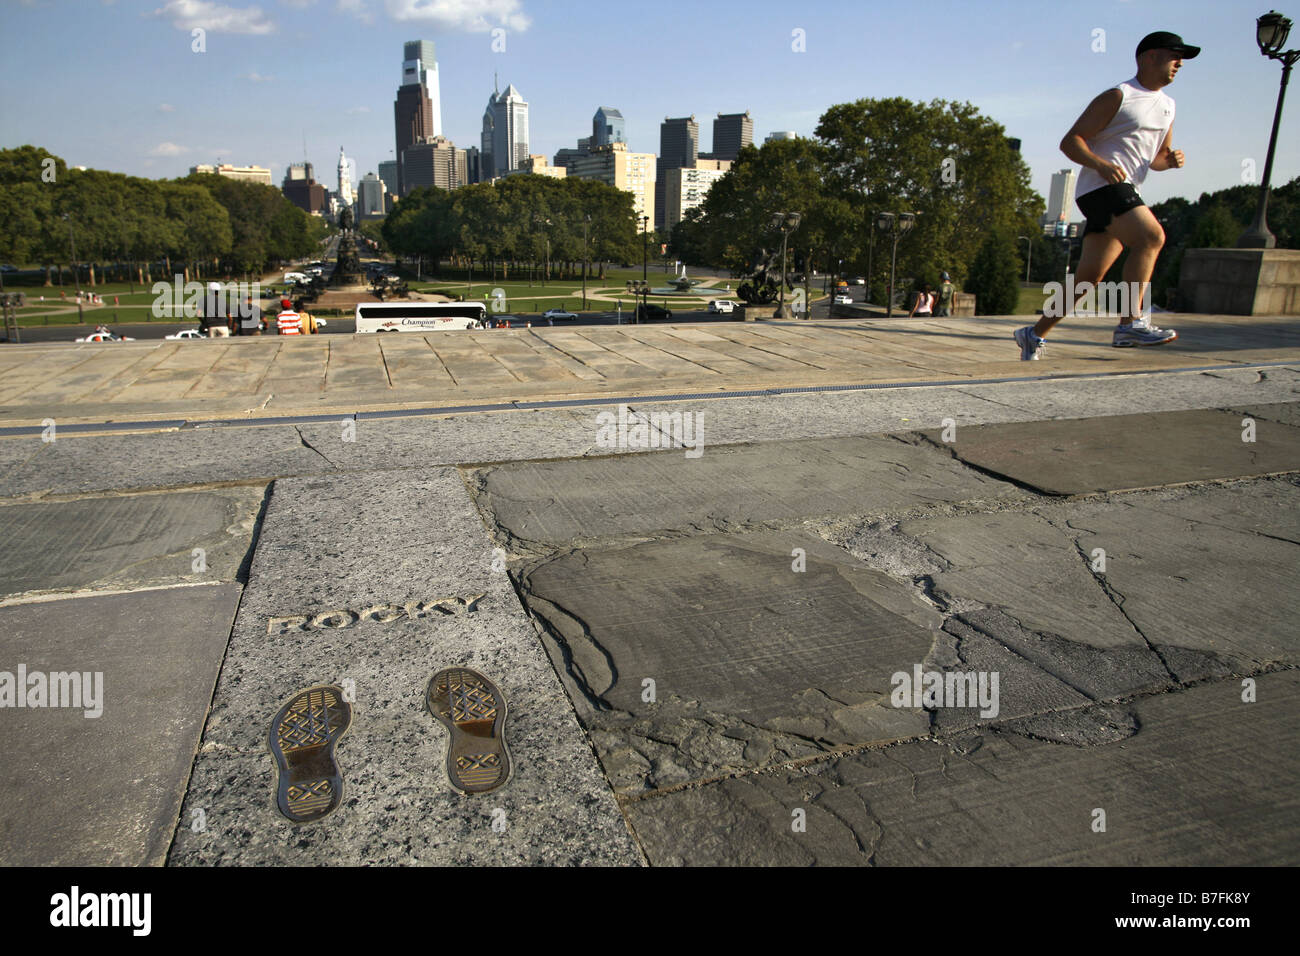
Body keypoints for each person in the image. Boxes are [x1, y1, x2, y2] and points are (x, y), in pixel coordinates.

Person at [1015, 30, 1196, 360]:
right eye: (1175, 56)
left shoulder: (1168, 107)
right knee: (1151, 237)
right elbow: (1071, 141)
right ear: (1149, 57)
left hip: (1123, 190)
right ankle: (1130, 322)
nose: (1180, 63)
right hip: (1101, 188)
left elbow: (1155, 158)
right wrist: (1100, 163)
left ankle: (1033, 333)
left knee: (1089, 277)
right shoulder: (1119, 96)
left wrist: (1168, 162)